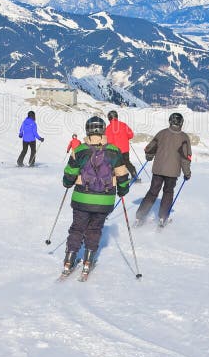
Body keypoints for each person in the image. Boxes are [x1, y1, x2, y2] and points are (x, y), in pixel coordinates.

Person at [61, 116, 129, 278]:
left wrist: (67, 183)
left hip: (81, 198)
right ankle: (88, 261)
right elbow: (122, 174)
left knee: (77, 228)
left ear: (88, 130)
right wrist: (122, 190)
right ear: (103, 130)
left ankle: (69, 260)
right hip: (104, 200)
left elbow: (70, 173)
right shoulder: (114, 151)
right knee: (95, 229)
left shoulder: (79, 150)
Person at [135, 112, 192, 227]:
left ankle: (140, 216)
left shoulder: (162, 133)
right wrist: (187, 173)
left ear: (170, 121)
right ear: (181, 123)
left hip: (158, 169)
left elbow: (150, 148)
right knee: (168, 192)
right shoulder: (184, 137)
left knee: (152, 192)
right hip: (172, 172)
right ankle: (162, 217)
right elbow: (185, 158)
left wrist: (149, 156)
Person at [105, 110, 139, 180]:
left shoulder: (108, 128)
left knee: (114, 164)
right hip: (125, 149)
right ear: (116, 116)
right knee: (127, 162)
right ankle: (134, 175)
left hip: (114, 150)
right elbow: (131, 135)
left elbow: (106, 140)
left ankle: (116, 178)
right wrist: (125, 138)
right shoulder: (123, 125)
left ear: (109, 118)